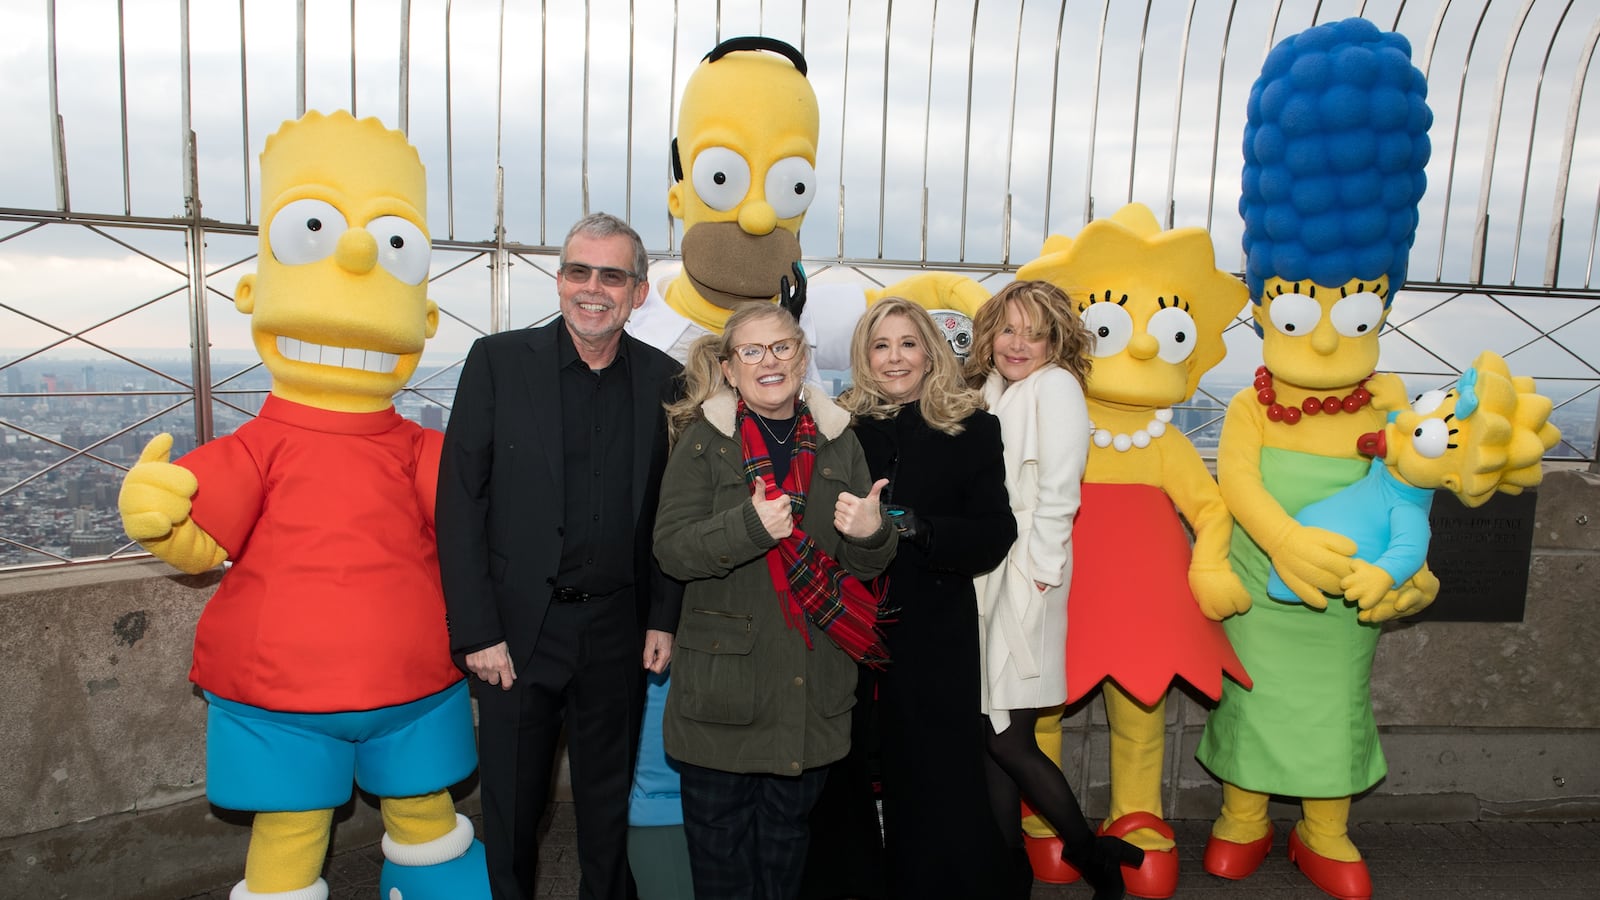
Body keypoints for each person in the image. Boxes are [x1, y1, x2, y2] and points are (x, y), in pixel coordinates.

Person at [435, 212, 684, 900]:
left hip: (618, 629)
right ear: (559, 281)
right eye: (579, 271)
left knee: (608, 803)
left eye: (612, 275)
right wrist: (478, 631)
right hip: (516, 634)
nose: (593, 288)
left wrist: (663, 618)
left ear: (638, 292)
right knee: (515, 807)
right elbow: (459, 502)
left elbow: (670, 511)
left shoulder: (668, 381)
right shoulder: (496, 362)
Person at [652, 303, 898, 900]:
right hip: (723, 694)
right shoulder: (703, 442)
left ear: (803, 356)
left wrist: (873, 534)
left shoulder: (841, 441)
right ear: (730, 369)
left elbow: (863, 568)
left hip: (807, 692)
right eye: (752, 352)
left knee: (786, 852)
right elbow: (672, 550)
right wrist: (750, 526)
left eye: (783, 348)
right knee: (721, 860)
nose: (770, 362)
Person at [805, 297, 1026, 899]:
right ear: (863, 357)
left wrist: (916, 526)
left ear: (929, 352)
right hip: (843, 625)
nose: (895, 357)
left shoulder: (974, 427)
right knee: (840, 769)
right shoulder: (837, 427)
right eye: (881, 345)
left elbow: (995, 532)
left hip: (933, 629)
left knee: (936, 777)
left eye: (907, 343)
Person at [964, 280, 1144, 900]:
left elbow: (1062, 495)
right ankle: (1010, 869)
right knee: (993, 731)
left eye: (1033, 333)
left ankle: (1091, 855)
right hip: (990, 577)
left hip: (1025, 579)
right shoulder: (994, 389)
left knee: (1004, 735)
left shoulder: (1057, 388)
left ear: (1055, 341)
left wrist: (1037, 577)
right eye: (1008, 329)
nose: (1018, 344)